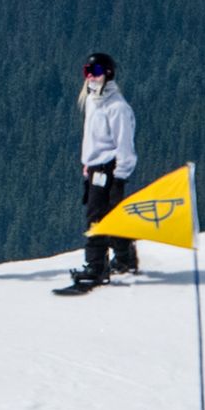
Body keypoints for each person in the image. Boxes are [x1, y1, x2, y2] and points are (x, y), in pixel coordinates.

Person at [72, 53, 140, 286]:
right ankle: (124, 256)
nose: (91, 77)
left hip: (110, 168)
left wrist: (120, 177)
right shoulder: (92, 101)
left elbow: (124, 145)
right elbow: (92, 137)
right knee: (111, 215)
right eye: (87, 72)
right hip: (94, 166)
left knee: (96, 217)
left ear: (108, 74)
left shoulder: (117, 107)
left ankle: (96, 266)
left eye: (96, 72)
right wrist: (87, 163)